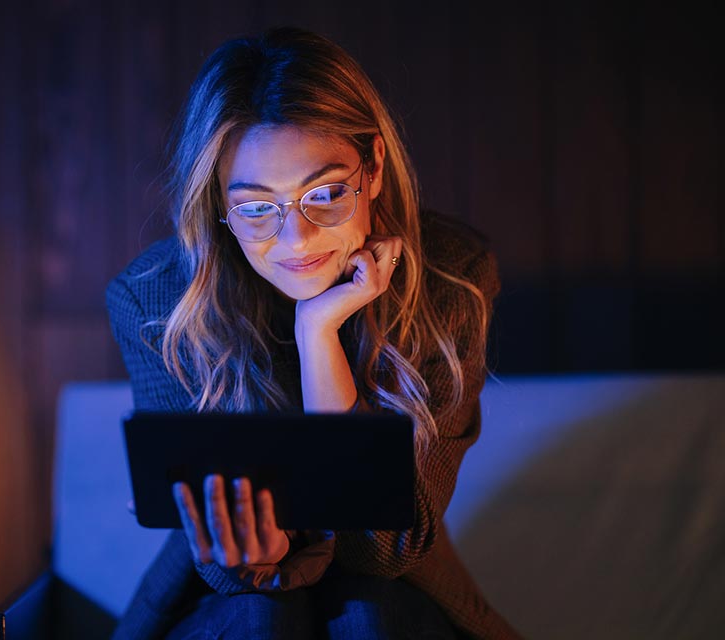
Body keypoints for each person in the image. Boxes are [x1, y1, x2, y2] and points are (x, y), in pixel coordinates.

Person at [106, 27, 521, 639]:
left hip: (395, 597)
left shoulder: (450, 279)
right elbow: (212, 552)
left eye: (325, 194)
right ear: (217, 201)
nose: (296, 239)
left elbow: (383, 549)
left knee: (367, 614)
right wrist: (246, 555)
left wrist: (318, 332)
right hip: (218, 608)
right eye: (255, 206)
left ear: (373, 166)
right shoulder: (156, 298)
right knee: (257, 614)